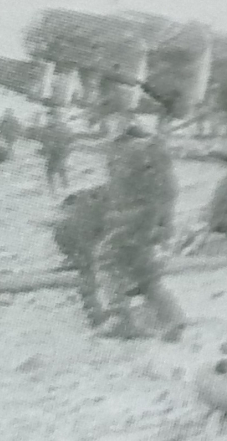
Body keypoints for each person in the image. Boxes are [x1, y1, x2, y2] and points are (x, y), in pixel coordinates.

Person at [97, 119, 185, 340]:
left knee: (107, 260)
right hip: (147, 218)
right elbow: (170, 190)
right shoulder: (154, 153)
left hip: (131, 218)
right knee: (144, 272)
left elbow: (118, 190)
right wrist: (165, 224)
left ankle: (121, 318)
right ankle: (173, 317)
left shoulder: (125, 151)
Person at [52, 186, 109, 327]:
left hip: (69, 226)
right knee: (91, 272)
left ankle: (93, 310)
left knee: (88, 272)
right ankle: (96, 313)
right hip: (79, 228)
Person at [39, 111, 74, 192]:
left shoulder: (62, 127)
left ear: (56, 117)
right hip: (52, 153)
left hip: (60, 151)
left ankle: (61, 188)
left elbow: (69, 138)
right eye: (48, 118)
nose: (49, 119)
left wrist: (65, 148)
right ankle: (56, 188)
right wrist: (43, 149)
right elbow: (44, 140)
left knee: (55, 170)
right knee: (55, 171)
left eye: (52, 117)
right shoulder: (46, 128)